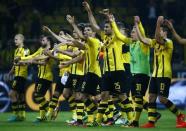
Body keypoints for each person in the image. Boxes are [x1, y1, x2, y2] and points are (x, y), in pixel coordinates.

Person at [136, 16, 186, 128]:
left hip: (164, 74)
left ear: (165, 33)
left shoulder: (169, 42)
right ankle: (151, 121)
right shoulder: (155, 42)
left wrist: (157, 24)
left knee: (162, 99)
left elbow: (158, 38)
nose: (159, 32)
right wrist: (136, 24)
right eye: (159, 30)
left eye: (160, 31)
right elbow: (142, 39)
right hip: (155, 74)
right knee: (151, 97)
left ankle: (180, 115)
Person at [8, 34, 30, 122]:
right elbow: (15, 63)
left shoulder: (25, 50)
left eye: (16, 39)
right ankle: (22, 115)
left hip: (21, 75)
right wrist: (11, 70)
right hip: (17, 74)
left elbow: (26, 62)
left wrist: (18, 62)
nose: (15, 41)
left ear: (22, 40)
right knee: (20, 95)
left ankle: (15, 114)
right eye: (14, 39)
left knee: (11, 94)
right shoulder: (16, 50)